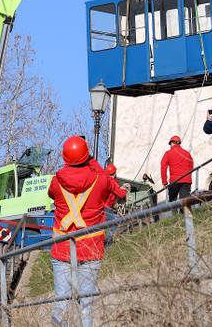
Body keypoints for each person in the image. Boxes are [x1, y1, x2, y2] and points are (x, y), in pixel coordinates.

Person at [47, 136, 125, 327]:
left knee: (61, 300)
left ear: (65, 157)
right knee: (87, 303)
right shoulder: (101, 180)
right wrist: (92, 161)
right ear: (87, 156)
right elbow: (119, 193)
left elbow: (51, 194)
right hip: (91, 248)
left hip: (62, 248)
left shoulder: (56, 182)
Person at [160, 135, 194, 202]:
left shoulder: (168, 153)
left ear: (172, 143)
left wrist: (164, 182)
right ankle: (186, 212)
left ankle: (175, 212)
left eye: (170, 144)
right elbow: (191, 166)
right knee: (185, 202)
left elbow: (163, 167)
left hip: (174, 181)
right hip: (186, 181)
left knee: (173, 202)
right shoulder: (187, 153)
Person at [103, 163, 127, 245]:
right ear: (114, 173)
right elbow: (121, 194)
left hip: (103, 207)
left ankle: (107, 241)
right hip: (106, 208)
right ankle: (108, 243)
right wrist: (124, 189)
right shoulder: (112, 182)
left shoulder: (105, 180)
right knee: (116, 221)